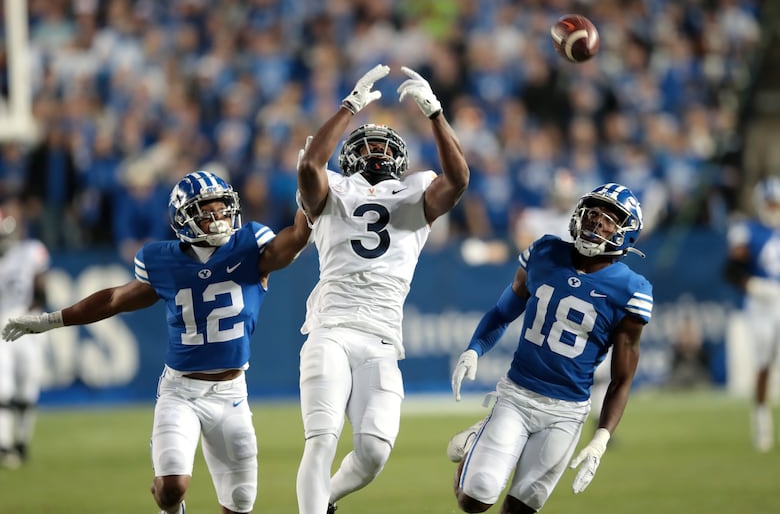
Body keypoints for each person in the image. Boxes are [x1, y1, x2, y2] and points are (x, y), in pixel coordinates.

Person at [2, 171, 311, 514]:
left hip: (231, 393)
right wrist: (51, 320)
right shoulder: (164, 261)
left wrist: (312, 190)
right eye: (206, 212)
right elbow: (114, 299)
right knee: (170, 488)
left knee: (239, 504)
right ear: (185, 218)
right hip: (181, 391)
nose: (219, 218)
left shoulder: (251, 248)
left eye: (222, 209)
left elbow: (297, 236)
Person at [294, 64, 469, 514]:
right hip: (331, 327)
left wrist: (435, 113)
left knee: (373, 452)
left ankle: (326, 499)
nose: (375, 152)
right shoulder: (330, 188)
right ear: (349, 155)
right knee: (322, 438)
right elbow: (313, 162)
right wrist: (349, 106)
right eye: (366, 145)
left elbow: (460, 179)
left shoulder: (417, 191)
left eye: (382, 145)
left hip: (382, 338)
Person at [448, 183, 653, 514]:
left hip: (566, 413)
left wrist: (601, 439)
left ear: (627, 234)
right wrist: (474, 348)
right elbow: (503, 312)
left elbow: (621, 380)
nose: (597, 222)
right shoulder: (545, 252)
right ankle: (478, 442)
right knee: (475, 499)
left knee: (520, 509)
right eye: (594, 212)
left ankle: (482, 442)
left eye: (610, 219)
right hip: (516, 394)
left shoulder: (631, 290)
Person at [723, 175, 780, 451]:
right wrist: (754, 285)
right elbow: (730, 270)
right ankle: (762, 426)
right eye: (771, 202)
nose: (776, 207)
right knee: (764, 366)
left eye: (779, 203)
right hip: (761, 307)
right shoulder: (747, 231)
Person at [0, 203, 50, 469]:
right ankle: (5, 444)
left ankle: (21, 443)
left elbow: (42, 288)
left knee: (28, 386)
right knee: (3, 387)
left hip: (28, 323)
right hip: (1, 325)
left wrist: (30, 317)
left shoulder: (32, 251)